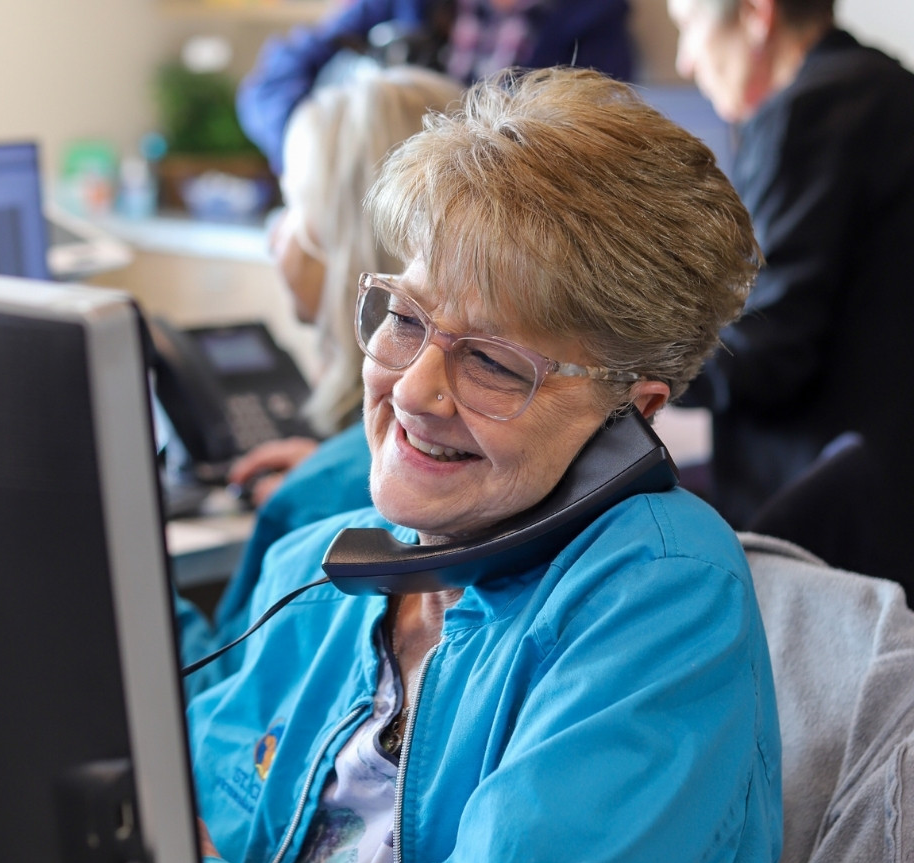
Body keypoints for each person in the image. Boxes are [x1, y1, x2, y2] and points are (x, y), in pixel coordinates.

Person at [189, 68, 783, 863]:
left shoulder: (661, 598)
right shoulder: (323, 565)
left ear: (629, 411)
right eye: (406, 320)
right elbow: (174, 815)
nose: (415, 391)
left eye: (496, 363)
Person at [176, 66, 463, 678]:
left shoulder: (324, 499)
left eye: (290, 203)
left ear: (343, 243)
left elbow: (212, 698)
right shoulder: (345, 472)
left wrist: (112, 563)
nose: (274, 235)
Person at [667, 0, 914, 533]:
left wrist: (627, 363)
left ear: (757, 15)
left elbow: (768, 352)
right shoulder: (888, 87)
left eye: (689, 26)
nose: (686, 60)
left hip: (830, 516)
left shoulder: (809, 111)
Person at [235, 0, 635, 174]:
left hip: (495, 235)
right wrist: (313, 162)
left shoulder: (595, 23)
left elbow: (589, 154)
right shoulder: (402, 4)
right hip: (375, 206)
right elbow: (270, 86)